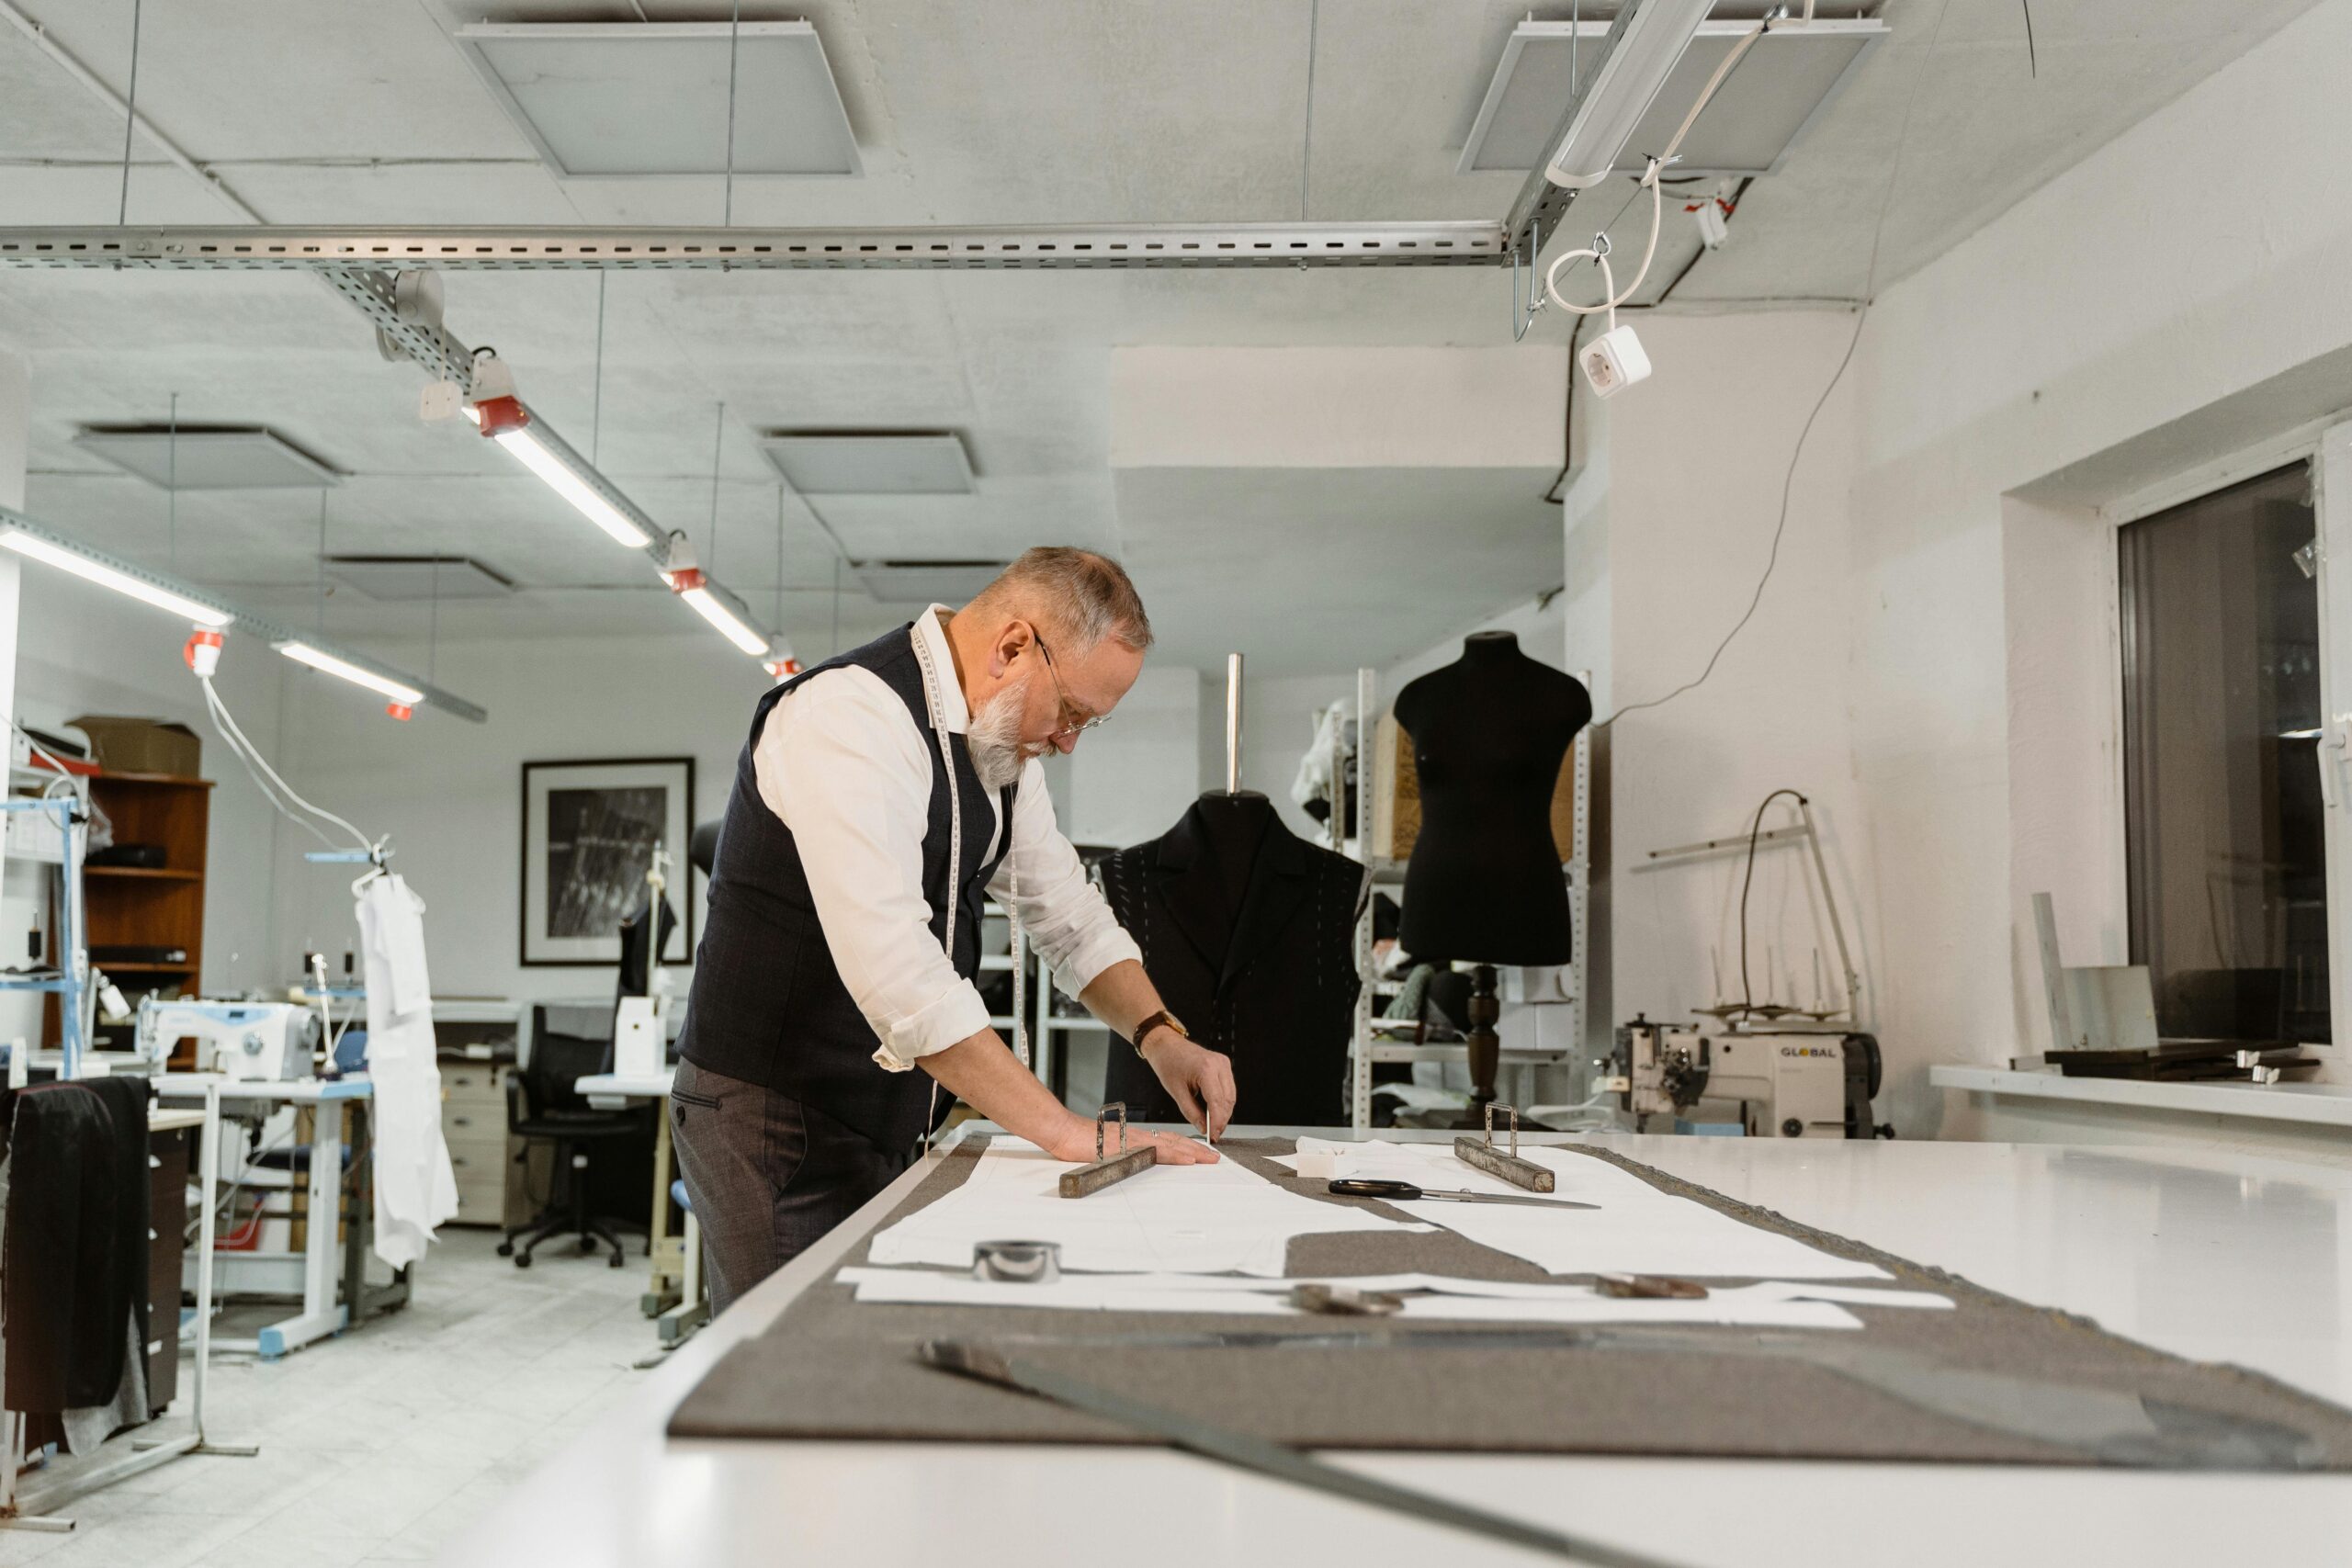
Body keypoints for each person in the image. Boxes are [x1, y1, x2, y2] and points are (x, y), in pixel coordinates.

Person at [671, 547, 1237, 1314]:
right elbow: (900, 974)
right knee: (784, 1368)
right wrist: (1069, 1132)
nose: (1069, 741)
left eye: (1088, 724)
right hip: (769, 1115)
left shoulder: (999, 752)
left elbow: (1065, 913)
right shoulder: (847, 716)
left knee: (861, 1357)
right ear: (1011, 647)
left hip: (881, 1112)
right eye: (1071, 712)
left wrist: (1161, 1035)